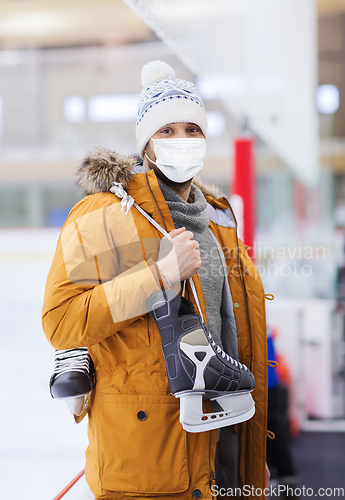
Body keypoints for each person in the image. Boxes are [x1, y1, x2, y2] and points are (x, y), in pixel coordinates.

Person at [42, 60, 269, 500]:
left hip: (224, 447)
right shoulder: (108, 215)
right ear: (145, 142)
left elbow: (233, 331)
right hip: (148, 466)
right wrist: (157, 277)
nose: (182, 141)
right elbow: (61, 321)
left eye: (192, 129)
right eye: (166, 131)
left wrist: (251, 443)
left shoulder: (218, 219)